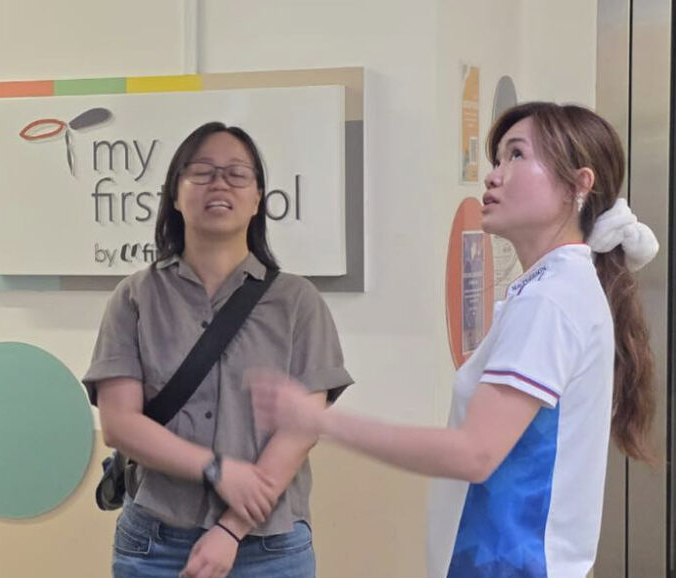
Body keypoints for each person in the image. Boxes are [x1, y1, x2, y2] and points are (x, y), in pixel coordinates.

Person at [251, 102, 659, 578]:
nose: (493, 175)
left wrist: (320, 420)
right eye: (497, 159)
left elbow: (474, 453)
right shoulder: (555, 288)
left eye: (517, 155)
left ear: (579, 184)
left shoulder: (551, 299)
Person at [83, 121, 353, 578]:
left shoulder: (297, 301)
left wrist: (230, 530)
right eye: (202, 172)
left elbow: (301, 430)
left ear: (258, 198)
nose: (219, 183)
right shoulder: (135, 297)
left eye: (236, 174)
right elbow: (119, 424)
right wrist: (216, 469)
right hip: (155, 543)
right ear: (175, 193)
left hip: (269, 549)